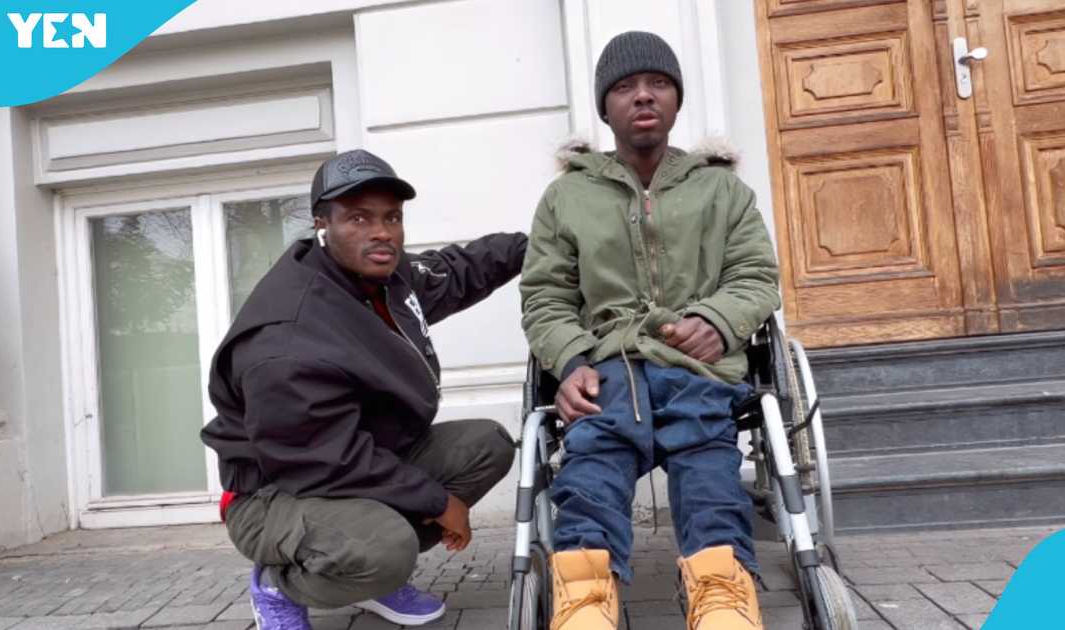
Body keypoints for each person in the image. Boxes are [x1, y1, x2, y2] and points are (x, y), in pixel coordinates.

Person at [201, 149, 526, 630]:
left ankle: (366, 571)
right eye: (358, 217)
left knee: (486, 446)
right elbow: (325, 458)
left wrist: (540, 244)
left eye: (391, 217)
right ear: (322, 225)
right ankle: (281, 585)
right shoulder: (289, 339)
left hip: (348, 464)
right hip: (272, 492)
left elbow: (457, 270)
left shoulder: (382, 280)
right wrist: (438, 503)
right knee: (386, 549)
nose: (382, 232)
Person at [519, 31, 780, 630]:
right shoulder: (566, 198)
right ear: (604, 106)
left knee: (710, 465)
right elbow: (546, 296)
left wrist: (718, 320)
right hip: (608, 371)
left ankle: (720, 593)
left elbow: (756, 275)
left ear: (677, 100)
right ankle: (584, 600)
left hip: (698, 370)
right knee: (592, 465)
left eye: (657, 84)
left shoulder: (722, 190)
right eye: (624, 87)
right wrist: (571, 359)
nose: (642, 96)